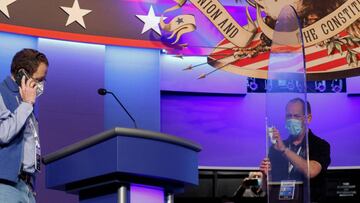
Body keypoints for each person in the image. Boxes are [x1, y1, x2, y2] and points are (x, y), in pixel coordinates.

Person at [0, 48, 48, 203]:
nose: (41, 84)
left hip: (26, 187)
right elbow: (2, 133)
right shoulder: (2, 94)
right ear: (22, 74)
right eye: (39, 79)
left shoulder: (25, 101)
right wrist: (27, 104)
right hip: (6, 186)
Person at [260, 98, 331, 203]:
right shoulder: (275, 148)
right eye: (289, 116)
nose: (292, 120)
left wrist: (284, 150)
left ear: (308, 118)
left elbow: (311, 171)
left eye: (296, 116)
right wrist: (266, 176)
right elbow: (267, 190)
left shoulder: (320, 145)